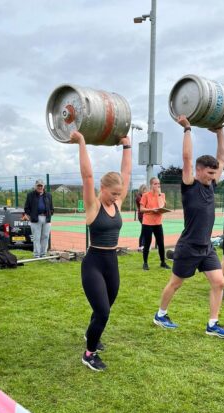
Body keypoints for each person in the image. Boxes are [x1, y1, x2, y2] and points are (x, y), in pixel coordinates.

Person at [153, 115, 224, 338]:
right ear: (199, 170)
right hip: (188, 247)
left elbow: (222, 158)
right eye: (209, 173)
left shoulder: (211, 184)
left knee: (219, 282)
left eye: (213, 173)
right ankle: (160, 314)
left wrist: (220, 132)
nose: (213, 176)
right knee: (175, 284)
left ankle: (212, 324)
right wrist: (187, 129)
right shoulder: (189, 185)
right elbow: (187, 157)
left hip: (206, 247)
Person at [70, 130, 131, 371]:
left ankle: (90, 334)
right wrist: (82, 142)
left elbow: (125, 173)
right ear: (103, 188)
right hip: (94, 262)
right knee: (102, 311)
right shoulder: (94, 206)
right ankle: (89, 354)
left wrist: (127, 146)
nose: (117, 197)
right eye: (113, 193)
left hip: (111, 262)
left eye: (119, 193)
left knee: (105, 308)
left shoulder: (116, 202)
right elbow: (87, 176)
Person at [140, 177, 170, 270]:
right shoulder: (145, 195)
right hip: (147, 223)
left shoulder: (162, 195)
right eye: (155, 184)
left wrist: (160, 195)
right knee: (148, 243)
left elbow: (163, 206)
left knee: (161, 243)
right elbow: (141, 209)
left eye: (158, 184)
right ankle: (145, 263)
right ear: (151, 185)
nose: (157, 185)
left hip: (158, 223)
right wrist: (152, 210)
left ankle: (163, 262)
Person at [24, 179, 54, 258]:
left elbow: (51, 207)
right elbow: (26, 208)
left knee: (45, 236)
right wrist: (32, 215)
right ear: (35, 186)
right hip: (35, 219)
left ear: (43, 186)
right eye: (38, 186)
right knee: (36, 237)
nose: (40, 187)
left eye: (41, 186)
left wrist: (50, 213)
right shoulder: (30, 195)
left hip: (46, 218)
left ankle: (43, 254)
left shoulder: (48, 195)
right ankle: (36, 254)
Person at [135, 184, 148, 251]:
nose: (146, 192)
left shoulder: (142, 197)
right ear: (141, 190)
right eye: (144, 190)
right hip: (142, 216)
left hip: (144, 216)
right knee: (145, 231)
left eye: (146, 190)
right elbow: (145, 205)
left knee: (143, 231)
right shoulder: (139, 197)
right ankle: (142, 246)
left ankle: (141, 246)